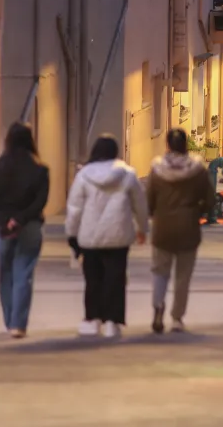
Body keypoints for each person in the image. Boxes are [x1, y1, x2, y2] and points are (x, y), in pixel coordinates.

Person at [65, 135, 148, 338]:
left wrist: (71, 234)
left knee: (92, 279)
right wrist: (142, 228)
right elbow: (140, 205)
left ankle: (92, 319)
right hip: (118, 235)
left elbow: (74, 209)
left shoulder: (84, 175)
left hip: (89, 236)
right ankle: (112, 322)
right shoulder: (128, 174)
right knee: (116, 278)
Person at [0, 122, 50, 339]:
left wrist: (4, 219)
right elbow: (40, 201)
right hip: (29, 226)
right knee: (24, 273)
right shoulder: (39, 170)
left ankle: (9, 319)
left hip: (2, 228)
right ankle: (18, 325)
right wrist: (20, 219)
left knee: (6, 273)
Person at [147, 128, 217, 333]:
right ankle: (177, 318)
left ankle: (158, 307)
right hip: (189, 228)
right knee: (182, 276)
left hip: (162, 229)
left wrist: (155, 214)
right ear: (186, 144)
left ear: (167, 145)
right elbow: (210, 199)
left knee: (160, 272)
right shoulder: (197, 169)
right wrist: (197, 211)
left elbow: (148, 199)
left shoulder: (157, 169)